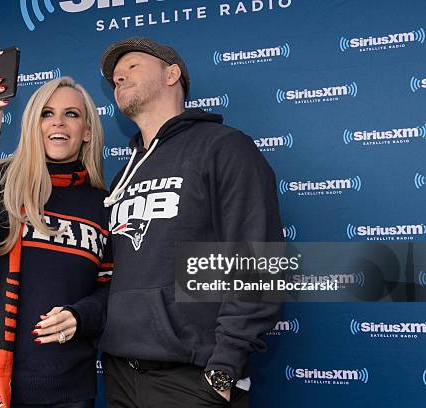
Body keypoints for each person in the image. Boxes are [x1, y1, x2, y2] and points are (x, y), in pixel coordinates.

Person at [98, 37, 283, 407]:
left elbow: (258, 262)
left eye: (132, 66)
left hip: (191, 379)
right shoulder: (122, 176)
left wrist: (224, 370)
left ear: (172, 74)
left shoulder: (223, 147)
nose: (119, 77)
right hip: (120, 375)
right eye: (115, 78)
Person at [0, 76, 112, 408]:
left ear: (87, 131)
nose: (59, 121)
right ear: (34, 126)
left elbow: (112, 288)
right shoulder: (2, 186)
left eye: (72, 114)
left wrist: (81, 315)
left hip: (71, 390)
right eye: (47, 113)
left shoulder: (104, 205)